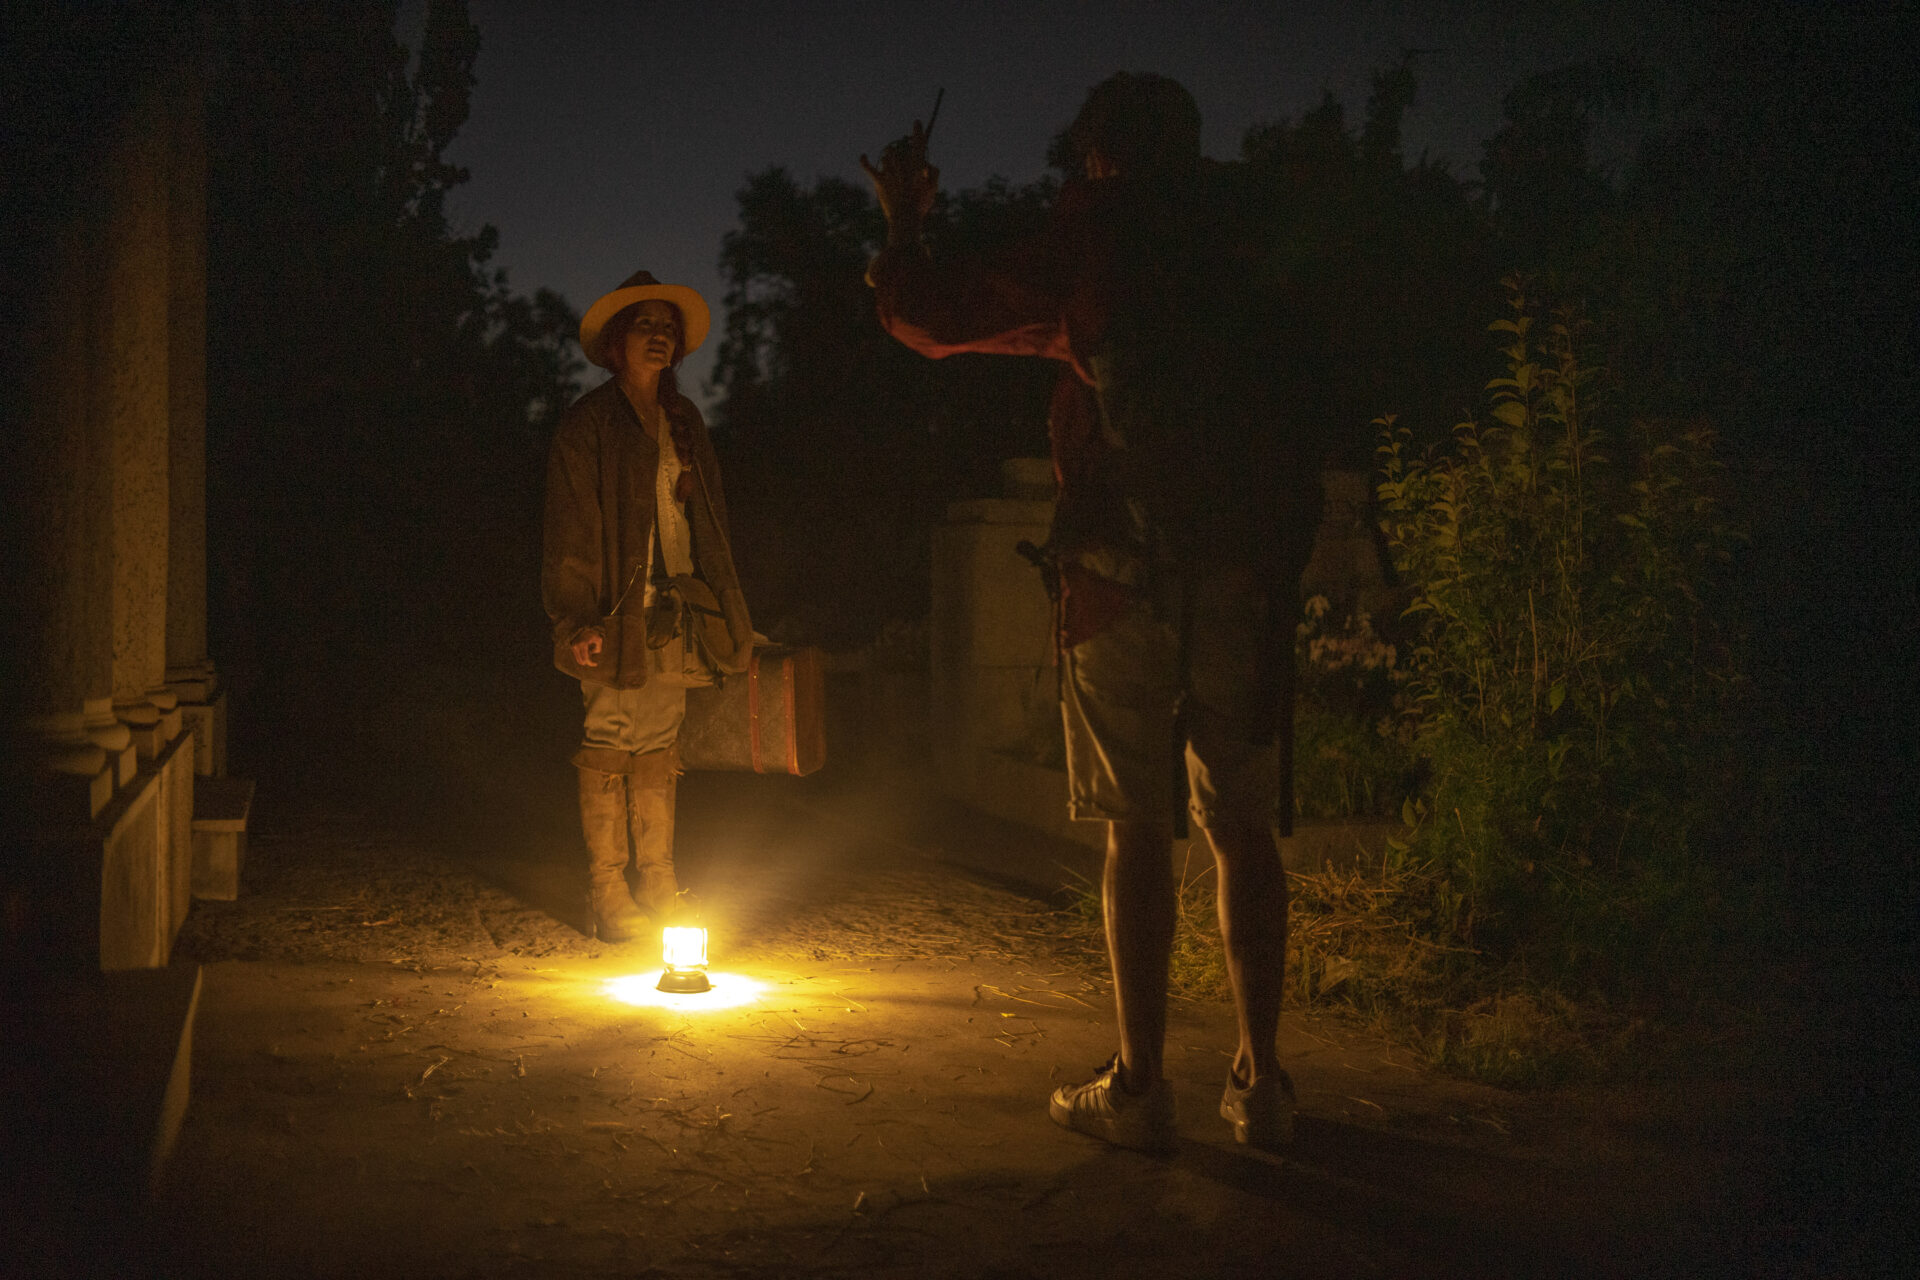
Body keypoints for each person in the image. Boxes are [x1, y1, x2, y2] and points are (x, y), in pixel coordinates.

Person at [862, 74, 1325, 1153]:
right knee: (1243, 828)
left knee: (1136, 828)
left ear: (1100, 155)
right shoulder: (1248, 237)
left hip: (1119, 569)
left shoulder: (1095, 238)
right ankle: (1261, 1084)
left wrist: (904, 228)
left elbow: (932, 319)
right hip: (1245, 571)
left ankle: (1140, 1087)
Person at [542, 270, 753, 943]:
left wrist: (730, 609)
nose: (659, 336)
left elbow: (711, 522)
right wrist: (577, 619)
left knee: (660, 743)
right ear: (618, 341)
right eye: (645, 325)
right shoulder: (589, 424)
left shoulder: (683, 421)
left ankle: (658, 883)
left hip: (680, 604)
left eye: (667, 327)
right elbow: (572, 528)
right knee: (611, 737)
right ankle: (607, 891)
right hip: (616, 610)